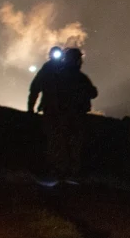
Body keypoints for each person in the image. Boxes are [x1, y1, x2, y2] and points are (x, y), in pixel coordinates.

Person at [41, 47, 98, 184]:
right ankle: (71, 172)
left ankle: (58, 171)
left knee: (60, 143)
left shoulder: (59, 75)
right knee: (74, 144)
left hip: (61, 116)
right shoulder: (81, 78)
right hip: (75, 116)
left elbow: (50, 94)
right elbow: (93, 93)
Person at [27, 45, 64, 113]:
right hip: (49, 105)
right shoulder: (47, 68)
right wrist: (30, 108)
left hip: (64, 106)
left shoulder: (66, 69)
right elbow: (35, 87)